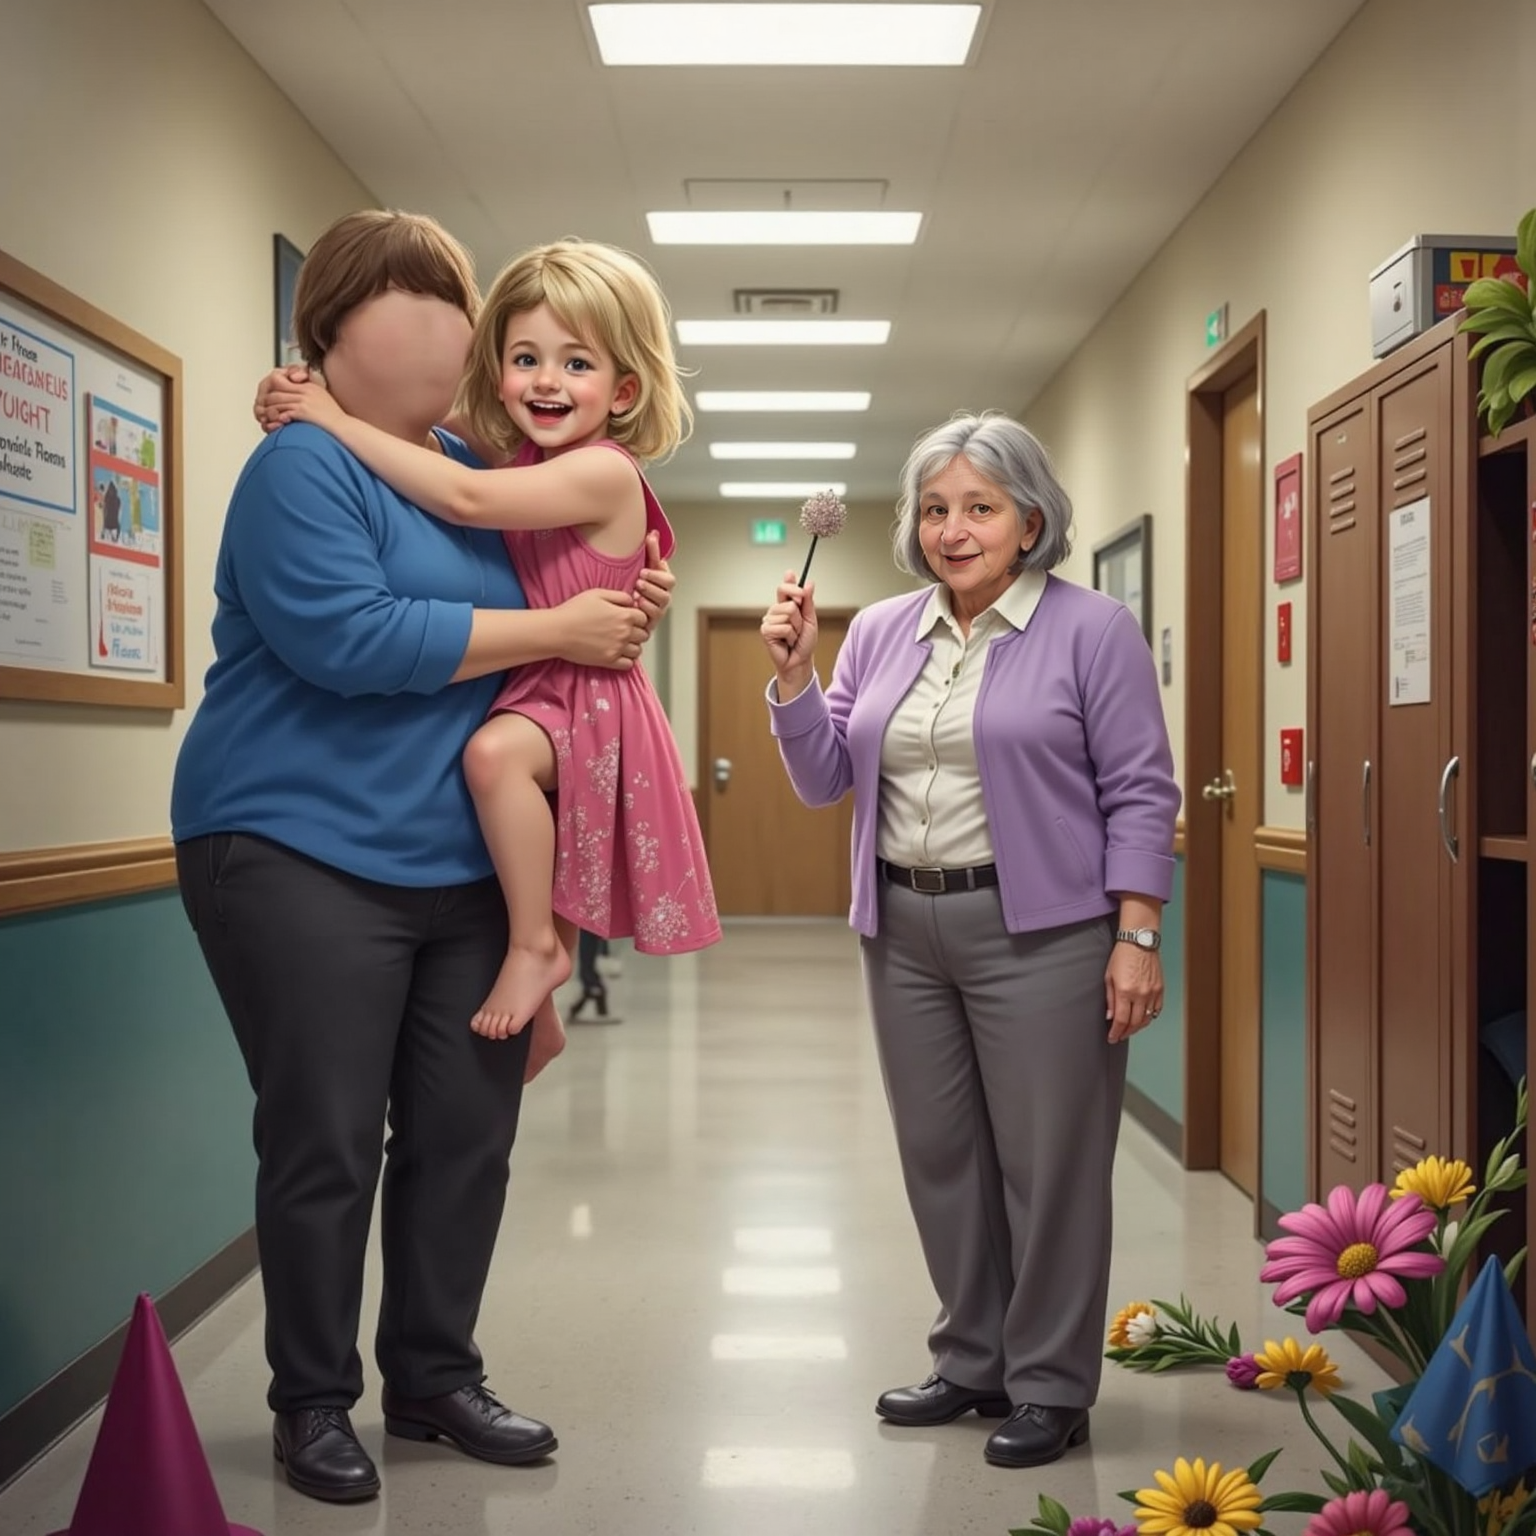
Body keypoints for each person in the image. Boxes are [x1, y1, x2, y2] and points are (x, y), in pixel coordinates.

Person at [172, 209, 675, 1505]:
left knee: (467, 1133)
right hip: (298, 848)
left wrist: (617, 600)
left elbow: (560, 578)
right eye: (406, 306)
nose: (445, 334)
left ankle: (437, 1376)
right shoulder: (301, 466)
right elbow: (355, 638)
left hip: (459, 868)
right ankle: (312, 1401)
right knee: (328, 1134)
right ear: (325, 334)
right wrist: (558, 619)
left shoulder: (461, 458)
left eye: (453, 307)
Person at [759, 411, 1179, 1469]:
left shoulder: (1093, 632)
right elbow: (824, 780)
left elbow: (1140, 792)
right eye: (935, 509)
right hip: (902, 926)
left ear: (1030, 519)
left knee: (1052, 1165)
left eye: (980, 508)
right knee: (942, 1156)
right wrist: (795, 680)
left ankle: (1048, 1383)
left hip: (1041, 929)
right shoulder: (885, 629)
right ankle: (972, 1360)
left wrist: (1137, 933)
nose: (954, 529)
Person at [267, 238, 720, 1040]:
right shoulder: (522, 449)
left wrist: (327, 417)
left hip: (586, 691)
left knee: (494, 759)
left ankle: (535, 946)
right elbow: (416, 417)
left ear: (624, 390)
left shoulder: (604, 471)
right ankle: (542, 977)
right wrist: (302, 385)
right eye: (524, 357)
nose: (546, 380)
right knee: (533, 807)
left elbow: (467, 497)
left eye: (577, 364)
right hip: (551, 680)